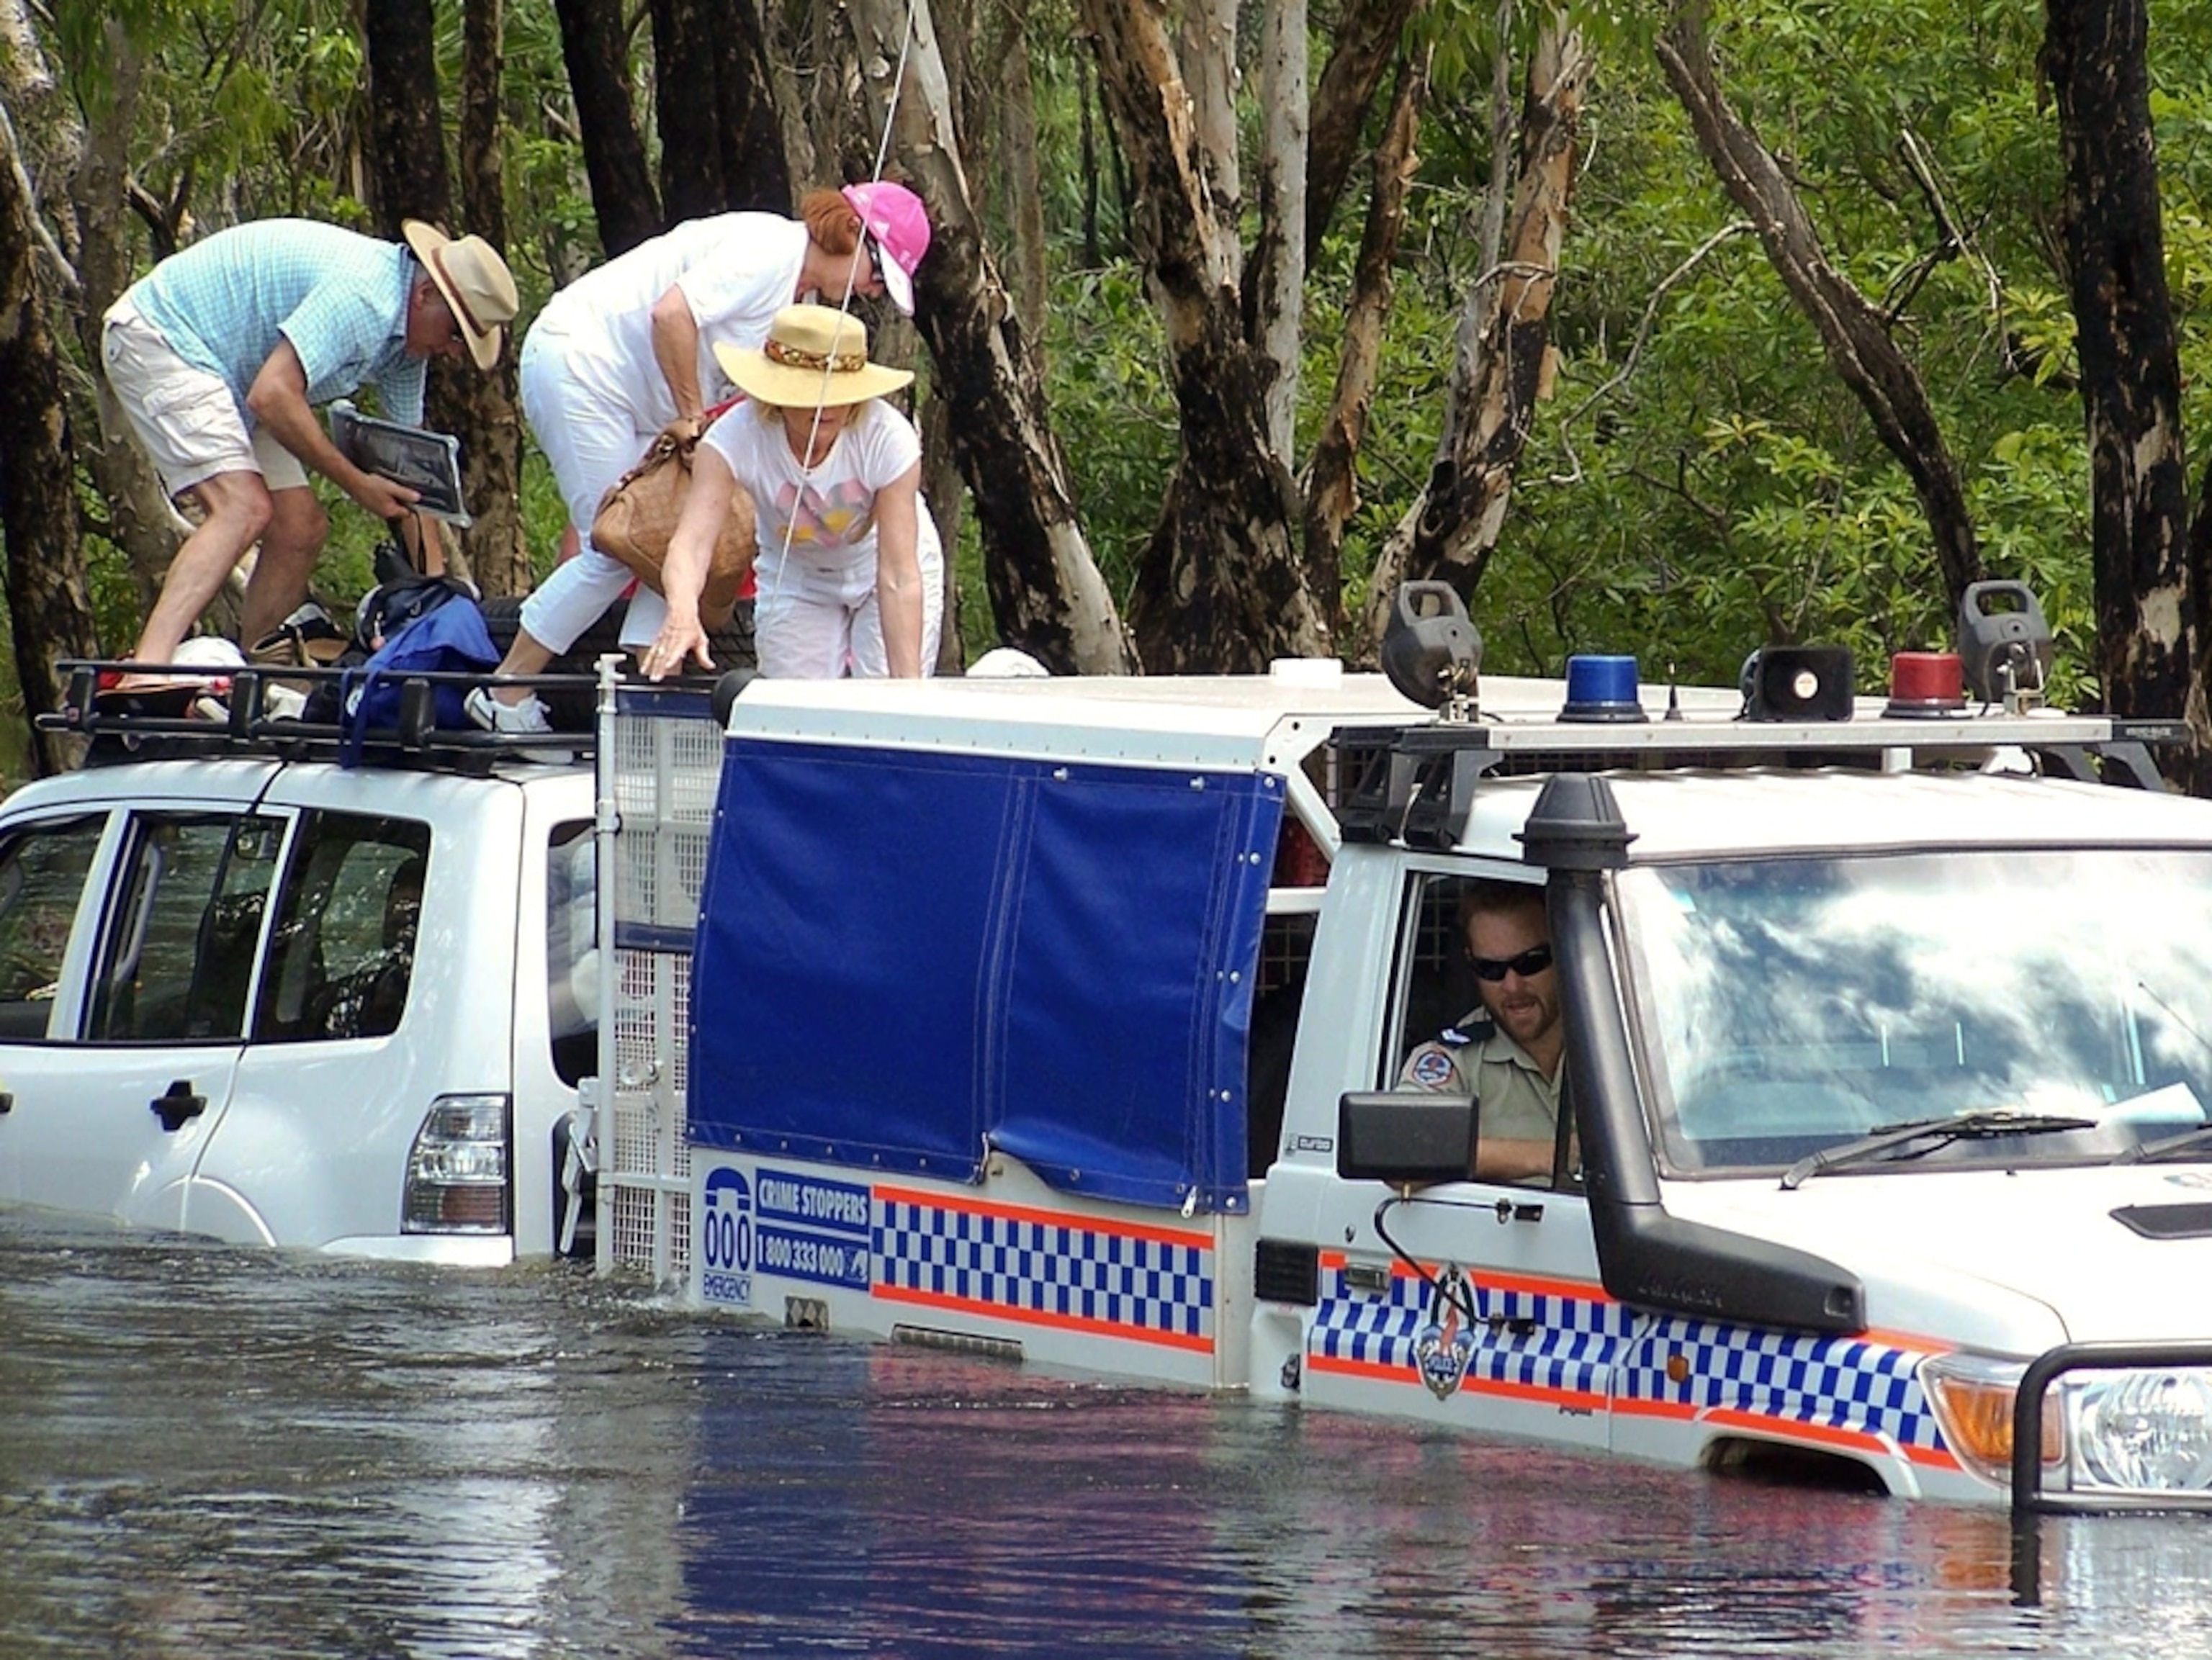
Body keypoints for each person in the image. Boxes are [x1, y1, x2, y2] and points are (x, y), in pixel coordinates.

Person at [468, 183, 932, 736]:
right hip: (584, 367)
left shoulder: (799, 307)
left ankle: (646, 700)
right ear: (853, 235)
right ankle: (506, 690)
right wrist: (693, 416)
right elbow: (672, 314)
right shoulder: (769, 250)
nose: (872, 292)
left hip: (640, 396)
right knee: (618, 543)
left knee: (664, 544)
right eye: (877, 276)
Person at [102, 217, 519, 671]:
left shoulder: (406, 347)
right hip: (166, 339)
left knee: (300, 528)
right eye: (458, 333)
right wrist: (357, 483)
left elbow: (412, 479)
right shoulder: (368, 298)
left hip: (241, 377)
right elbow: (273, 396)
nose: (455, 351)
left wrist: (436, 598)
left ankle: (260, 674)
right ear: (425, 296)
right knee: (243, 507)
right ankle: (148, 668)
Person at [638, 304, 940, 684]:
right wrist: (682, 612)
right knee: (794, 706)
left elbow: (898, 574)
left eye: (838, 394)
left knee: (882, 699)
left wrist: (906, 691)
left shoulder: (888, 438)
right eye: (808, 395)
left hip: (884, 566)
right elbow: (692, 544)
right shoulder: (733, 438)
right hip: (798, 572)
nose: (824, 408)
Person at [1398, 881, 1569, 1183]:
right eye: (1491, 969)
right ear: (1470, 964)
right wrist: (1552, 1156)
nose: (1512, 986)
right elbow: (1401, 1159)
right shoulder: (1455, 1060)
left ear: (1564, 950)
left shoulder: (1623, 1041)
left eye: (1530, 963)